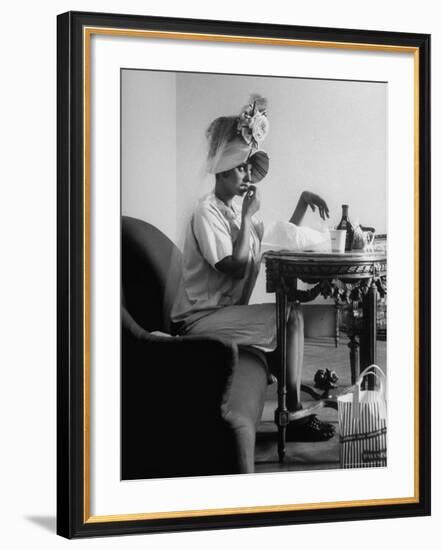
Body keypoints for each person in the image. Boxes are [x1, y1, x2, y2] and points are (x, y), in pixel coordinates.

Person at [171, 95, 334, 441]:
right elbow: (233, 266)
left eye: (248, 167)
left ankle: (291, 405)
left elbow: (278, 238)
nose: (249, 175)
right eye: (243, 166)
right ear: (223, 169)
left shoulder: (233, 211)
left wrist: (301, 202)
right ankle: (292, 414)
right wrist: (246, 216)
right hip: (199, 320)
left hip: (224, 312)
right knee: (289, 315)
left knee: (291, 313)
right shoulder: (207, 213)